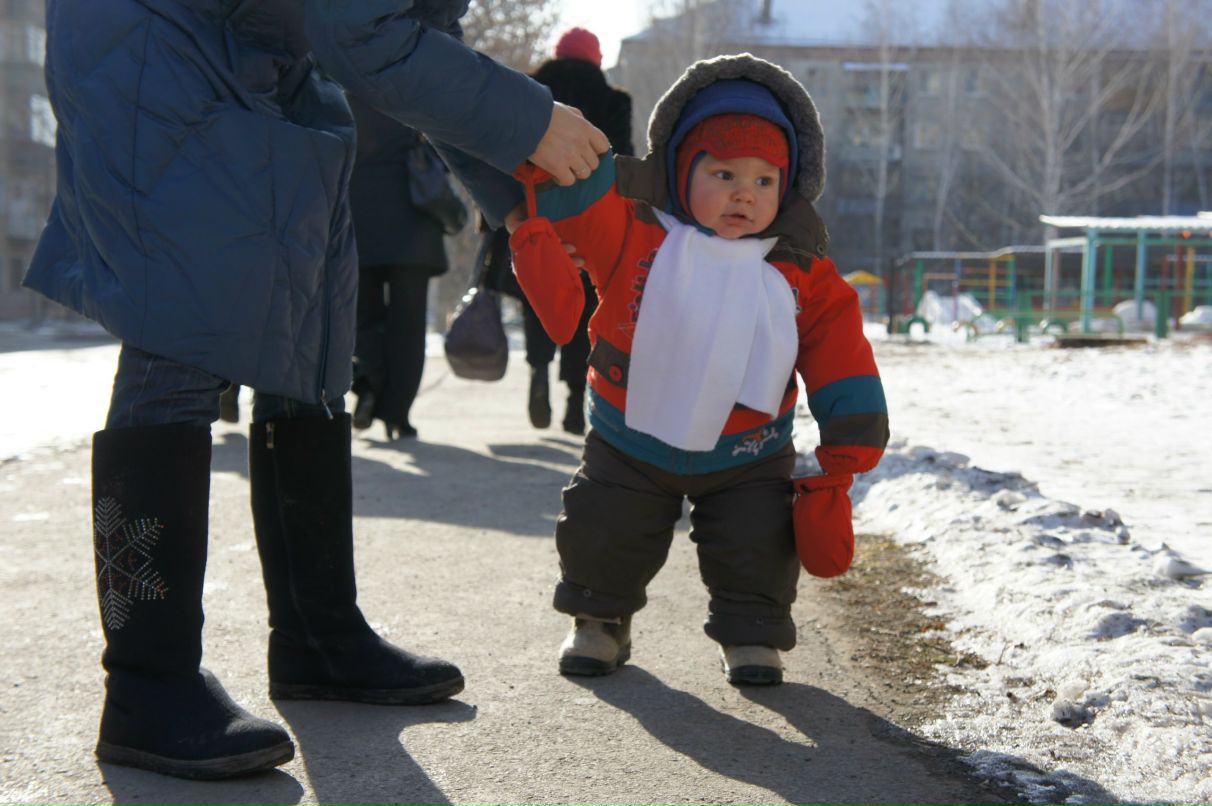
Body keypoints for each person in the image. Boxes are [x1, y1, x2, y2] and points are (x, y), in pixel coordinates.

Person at [24, 0, 607, 781]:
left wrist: (524, 206)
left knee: (307, 331)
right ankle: (146, 685)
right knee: (182, 331)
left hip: (265, 55)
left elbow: (420, 36)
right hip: (151, 45)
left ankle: (318, 635)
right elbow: (359, 30)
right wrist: (530, 118)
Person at [506, 54, 889, 685]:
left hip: (749, 447)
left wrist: (853, 427)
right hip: (632, 436)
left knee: (756, 541)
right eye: (724, 173)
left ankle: (752, 631)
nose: (745, 192)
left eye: (766, 181)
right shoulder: (633, 227)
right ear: (682, 171)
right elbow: (575, 201)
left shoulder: (798, 267)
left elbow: (836, 342)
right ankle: (599, 619)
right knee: (606, 526)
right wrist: (552, 172)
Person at [484, 27, 634, 435]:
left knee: (541, 298)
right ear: (596, 59)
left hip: (531, 213)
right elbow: (621, 159)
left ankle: (537, 372)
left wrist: (493, 218)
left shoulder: (531, 91)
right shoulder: (614, 100)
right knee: (586, 306)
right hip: (591, 221)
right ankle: (574, 400)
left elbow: (498, 153)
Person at [348, 96, 463, 441]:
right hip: (413, 229)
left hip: (360, 219)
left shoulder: (348, 94)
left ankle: (368, 384)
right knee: (408, 327)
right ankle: (398, 414)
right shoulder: (411, 90)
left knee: (365, 318)